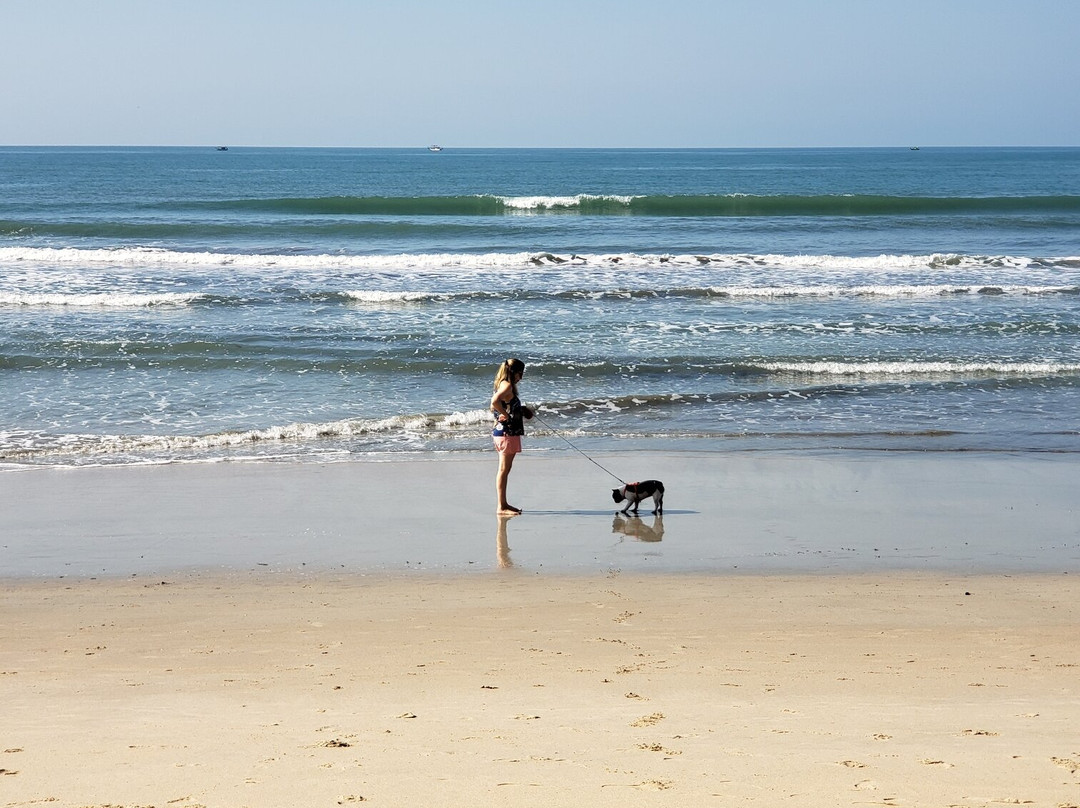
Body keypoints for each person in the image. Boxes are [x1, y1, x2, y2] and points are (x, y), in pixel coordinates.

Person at [490, 358, 532, 514]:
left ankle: (503, 504)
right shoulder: (507, 385)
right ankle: (502, 506)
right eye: (521, 374)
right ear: (514, 372)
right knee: (503, 470)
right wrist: (506, 416)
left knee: (504, 469)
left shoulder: (502, 384)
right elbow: (494, 402)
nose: (521, 377)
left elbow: (497, 404)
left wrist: (519, 409)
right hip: (507, 433)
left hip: (503, 432)